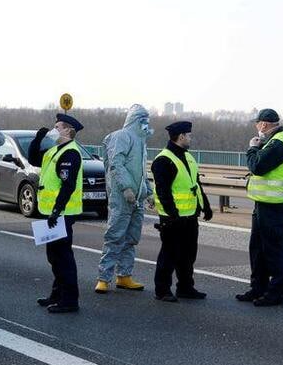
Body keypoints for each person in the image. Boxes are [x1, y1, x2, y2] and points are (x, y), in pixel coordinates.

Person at [236, 109, 283, 307]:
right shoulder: (273, 141)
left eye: (257, 123)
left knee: (274, 250)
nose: (257, 127)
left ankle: (275, 294)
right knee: (258, 249)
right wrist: (261, 146)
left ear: (263, 124)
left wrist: (252, 148)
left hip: (273, 205)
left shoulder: (279, 144)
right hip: (264, 203)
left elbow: (258, 167)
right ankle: (258, 288)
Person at [95, 104, 155, 294]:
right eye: (143, 120)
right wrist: (126, 188)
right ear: (135, 120)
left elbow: (141, 172)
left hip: (137, 198)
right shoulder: (122, 137)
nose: (146, 124)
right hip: (122, 197)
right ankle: (103, 278)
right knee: (115, 236)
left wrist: (148, 192)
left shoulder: (141, 141)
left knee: (131, 238)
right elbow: (116, 164)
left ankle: (124, 275)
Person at [151, 121, 213, 302]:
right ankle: (162, 290)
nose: (190, 138)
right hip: (173, 218)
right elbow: (162, 191)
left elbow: (196, 184)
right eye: (189, 135)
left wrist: (205, 206)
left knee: (188, 255)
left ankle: (185, 288)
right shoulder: (164, 160)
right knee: (169, 255)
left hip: (190, 216)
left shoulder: (188, 157)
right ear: (181, 136)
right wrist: (172, 214)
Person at [31, 114, 84, 314]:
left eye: (57, 127)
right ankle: (57, 294)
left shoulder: (71, 153)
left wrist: (56, 210)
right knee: (54, 256)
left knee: (63, 257)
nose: (54, 130)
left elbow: (68, 185)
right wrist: (37, 139)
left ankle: (69, 300)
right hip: (52, 213)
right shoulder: (54, 150)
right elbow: (33, 159)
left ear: (68, 130)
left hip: (62, 213)